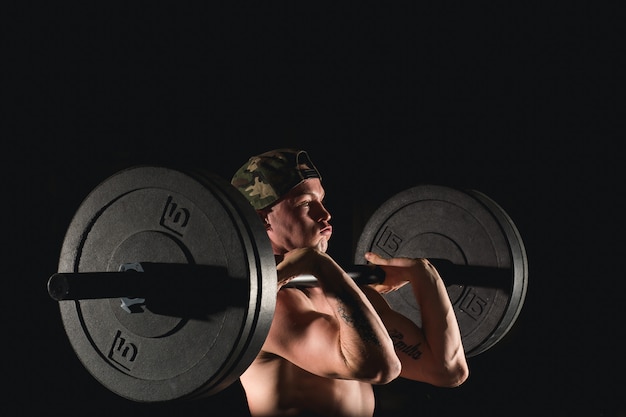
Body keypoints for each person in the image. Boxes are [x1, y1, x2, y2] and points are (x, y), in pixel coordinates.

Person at [230, 149, 469, 417]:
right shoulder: (269, 308)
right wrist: (322, 265)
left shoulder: (344, 290)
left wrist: (424, 275)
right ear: (262, 219)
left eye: (321, 200)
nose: (325, 214)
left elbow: (447, 370)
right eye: (305, 204)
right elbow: (380, 368)